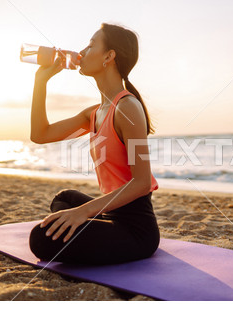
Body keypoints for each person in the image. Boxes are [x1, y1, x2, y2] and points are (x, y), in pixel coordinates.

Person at [28, 23, 160, 265]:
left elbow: (141, 183)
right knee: (64, 198)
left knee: (40, 239)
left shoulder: (126, 108)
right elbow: (40, 134)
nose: (81, 52)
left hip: (135, 229)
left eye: (90, 46)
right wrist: (41, 81)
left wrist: (83, 212)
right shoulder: (95, 113)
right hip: (110, 212)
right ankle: (94, 228)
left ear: (109, 56)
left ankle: (94, 228)